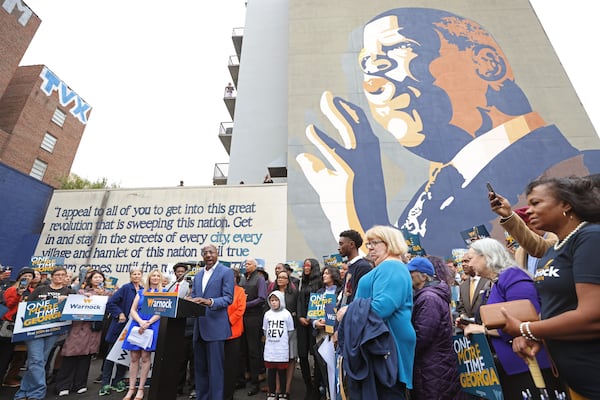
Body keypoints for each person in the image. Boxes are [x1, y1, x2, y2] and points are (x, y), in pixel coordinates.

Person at [296, 8, 600, 259]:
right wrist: (360, 208)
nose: (374, 82)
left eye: (396, 51)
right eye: (368, 65)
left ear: (487, 64)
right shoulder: (434, 191)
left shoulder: (582, 175)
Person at [499, 176, 600, 399]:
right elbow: (560, 304)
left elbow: (593, 317)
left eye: (536, 203)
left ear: (566, 204)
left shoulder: (591, 238)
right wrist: (538, 336)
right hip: (575, 379)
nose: (528, 210)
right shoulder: (556, 248)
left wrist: (526, 329)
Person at [461, 238, 562, 399]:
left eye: (471, 258)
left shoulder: (512, 277)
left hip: (531, 364)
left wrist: (483, 330)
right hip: (514, 365)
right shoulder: (495, 283)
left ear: (487, 256)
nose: (468, 264)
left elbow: (528, 321)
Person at [338, 225, 415, 398]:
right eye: (368, 243)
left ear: (390, 243)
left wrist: (348, 311)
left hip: (385, 346)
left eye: (375, 243)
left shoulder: (392, 267)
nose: (370, 247)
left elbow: (382, 307)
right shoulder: (387, 267)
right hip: (379, 345)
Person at [13, 266, 74, 400]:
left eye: (63, 275)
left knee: (40, 361)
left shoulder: (69, 292)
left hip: (53, 330)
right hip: (34, 329)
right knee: (36, 360)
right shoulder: (41, 289)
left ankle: (24, 391)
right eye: (57, 274)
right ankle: (38, 392)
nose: (60, 277)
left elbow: (75, 309)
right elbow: (27, 306)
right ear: (52, 276)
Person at [407, 257, 459, 400]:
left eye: (411, 272)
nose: (408, 275)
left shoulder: (429, 298)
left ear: (424, 276)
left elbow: (422, 336)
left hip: (432, 367)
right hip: (433, 364)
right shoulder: (426, 295)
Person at [188, 244, 234, 400]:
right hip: (199, 328)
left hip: (216, 328)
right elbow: (194, 297)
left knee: (215, 370)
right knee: (200, 370)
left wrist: (209, 302)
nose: (208, 255)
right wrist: (189, 301)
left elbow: (228, 298)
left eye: (211, 252)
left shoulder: (226, 272)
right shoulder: (198, 275)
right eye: (205, 253)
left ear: (217, 254)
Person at [55, 270, 111, 396]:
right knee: (71, 354)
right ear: (90, 279)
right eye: (95, 277)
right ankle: (63, 385)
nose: (98, 280)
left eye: (100, 277)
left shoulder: (107, 293)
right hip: (79, 327)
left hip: (93, 329)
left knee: (86, 356)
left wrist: (103, 297)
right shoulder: (81, 292)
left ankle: (80, 384)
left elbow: (110, 308)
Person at [99, 267, 144, 396]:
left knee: (124, 355)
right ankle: (105, 383)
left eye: (138, 274)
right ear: (130, 276)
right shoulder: (125, 288)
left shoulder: (142, 290)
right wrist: (119, 313)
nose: (136, 276)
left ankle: (118, 380)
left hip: (133, 327)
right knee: (111, 355)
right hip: (119, 326)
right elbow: (111, 303)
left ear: (141, 276)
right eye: (134, 274)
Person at [121, 268, 165, 400]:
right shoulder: (141, 292)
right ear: (149, 278)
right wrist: (140, 322)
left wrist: (148, 323)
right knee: (134, 358)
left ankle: (141, 389)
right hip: (137, 324)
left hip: (152, 326)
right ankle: (131, 389)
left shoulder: (163, 294)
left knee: (146, 358)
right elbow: (133, 310)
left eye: (158, 276)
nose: (155, 278)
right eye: (153, 275)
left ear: (160, 278)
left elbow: (161, 311)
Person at [490, 195, 558, 274]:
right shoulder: (520, 252)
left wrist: (508, 216)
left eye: (526, 230)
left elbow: (537, 246)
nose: (527, 235)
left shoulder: (557, 242)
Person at [0, 267, 34, 385]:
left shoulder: (32, 291)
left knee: (20, 355)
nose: (28, 278)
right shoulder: (11, 289)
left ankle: (11, 377)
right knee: (5, 355)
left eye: (30, 276)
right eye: (26, 275)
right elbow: (8, 305)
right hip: (9, 324)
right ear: (20, 277)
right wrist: (18, 294)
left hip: (23, 325)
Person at [296, 258, 323, 399]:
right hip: (302, 323)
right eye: (304, 265)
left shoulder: (320, 282)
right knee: (302, 354)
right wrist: (301, 316)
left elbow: (320, 302)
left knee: (316, 355)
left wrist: (311, 318)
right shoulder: (302, 282)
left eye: (308, 265)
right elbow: (299, 301)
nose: (305, 267)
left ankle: (316, 387)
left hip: (314, 323)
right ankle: (308, 386)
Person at [240, 258, 267, 396]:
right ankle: (244, 379)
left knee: (253, 351)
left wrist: (246, 305)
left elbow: (262, 298)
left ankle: (255, 383)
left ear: (255, 266)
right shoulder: (243, 279)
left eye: (249, 264)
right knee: (242, 349)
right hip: (241, 318)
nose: (246, 265)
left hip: (254, 318)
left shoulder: (259, 279)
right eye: (245, 264)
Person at [263, 291, 294, 400]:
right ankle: (271, 393)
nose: (274, 303)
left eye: (276, 300)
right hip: (270, 349)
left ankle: (283, 393)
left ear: (281, 301)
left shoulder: (286, 314)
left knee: (282, 373)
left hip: (282, 349)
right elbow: (265, 330)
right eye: (272, 300)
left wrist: (282, 340)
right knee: (271, 372)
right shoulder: (267, 314)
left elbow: (290, 331)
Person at [273, 269, 299, 397]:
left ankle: (287, 389)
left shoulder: (294, 293)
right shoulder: (272, 294)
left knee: (290, 358)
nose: (280, 279)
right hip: (276, 331)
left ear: (288, 280)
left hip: (290, 331)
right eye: (278, 277)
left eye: (283, 277)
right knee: (277, 359)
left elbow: (297, 310)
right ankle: (278, 389)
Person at [223, 269, 246, 400]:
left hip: (234, 332)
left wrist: (227, 321)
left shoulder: (240, 291)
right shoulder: (219, 290)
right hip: (218, 333)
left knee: (231, 367)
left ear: (236, 278)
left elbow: (240, 310)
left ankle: (228, 395)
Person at [337, 229, 372, 307]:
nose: (339, 248)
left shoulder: (363, 267)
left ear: (352, 244)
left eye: (341, 244)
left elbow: (362, 297)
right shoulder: (350, 267)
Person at [455, 251, 490, 323]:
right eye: (462, 262)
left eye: (466, 261)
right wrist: (463, 316)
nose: (463, 264)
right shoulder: (462, 286)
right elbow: (461, 307)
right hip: (470, 328)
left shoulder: (488, 281)